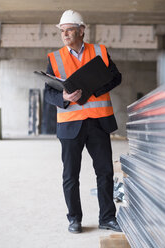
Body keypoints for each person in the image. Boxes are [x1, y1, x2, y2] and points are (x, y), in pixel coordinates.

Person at [44, 9, 122, 234]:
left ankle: (107, 218)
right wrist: (64, 98)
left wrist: (95, 89)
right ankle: (74, 219)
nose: (65, 34)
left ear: (81, 31)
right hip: (70, 125)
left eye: (69, 30)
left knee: (105, 172)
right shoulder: (55, 58)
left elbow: (116, 77)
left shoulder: (99, 51)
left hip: (98, 122)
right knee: (70, 175)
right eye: (62, 31)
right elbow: (48, 93)